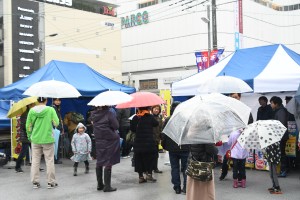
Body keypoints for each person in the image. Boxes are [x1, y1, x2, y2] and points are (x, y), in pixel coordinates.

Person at [26, 97, 59, 189]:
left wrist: (30, 136)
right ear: (46, 100)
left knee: (35, 161)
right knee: (49, 160)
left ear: (37, 101)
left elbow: (28, 125)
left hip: (35, 139)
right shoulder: (50, 109)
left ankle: (35, 182)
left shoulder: (32, 111)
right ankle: (50, 182)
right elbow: (56, 123)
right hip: (48, 139)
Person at [219, 93, 253, 181]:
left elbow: (250, 121)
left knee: (239, 159)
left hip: (241, 136)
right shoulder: (227, 108)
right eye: (232, 97)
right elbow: (223, 121)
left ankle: (239, 177)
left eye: (236, 97)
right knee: (226, 156)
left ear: (240, 97)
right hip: (230, 136)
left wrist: (244, 129)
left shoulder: (244, 108)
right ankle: (224, 173)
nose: (234, 99)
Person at [161, 101, 189, 194]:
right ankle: (185, 187)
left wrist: (164, 145)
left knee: (175, 168)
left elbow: (164, 134)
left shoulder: (169, 119)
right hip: (185, 147)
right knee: (186, 168)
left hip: (172, 148)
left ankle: (177, 187)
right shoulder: (186, 119)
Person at [91, 106, 120, 192]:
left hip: (99, 139)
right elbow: (116, 126)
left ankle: (100, 184)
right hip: (109, 139)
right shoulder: (109, 113)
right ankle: (107, 186)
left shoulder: (94, 114)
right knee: (108, 161)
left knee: (99, 160)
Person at [130, 107, 158, 183]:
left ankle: (141, 177)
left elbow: (132, 129)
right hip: (149, 142)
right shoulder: (150, 117)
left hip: (138, 142)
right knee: (149, 158)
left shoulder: (136, 117)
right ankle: (149, 174)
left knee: (139, 159)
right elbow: (156, 124)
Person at [270, 96, 288, 177]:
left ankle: (283, 170)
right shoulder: (279, 110)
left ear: (276, 104)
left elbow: (281, 124)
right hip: (280, 136)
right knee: (281, 153)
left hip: (281, 136)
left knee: (282, 153)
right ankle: (282, 169)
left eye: (271, 103)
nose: (271, 105)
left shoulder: (281, 111)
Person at [15, 103, 36, 173]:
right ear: (29, 105)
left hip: (31, 135)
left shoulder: (32, 113)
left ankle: (36, 166)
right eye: (33, 105)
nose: (34, 106)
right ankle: (17, 167)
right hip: (25, 136)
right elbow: (25, 126)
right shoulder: (25, 114)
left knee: (35, 152)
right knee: (23, 152)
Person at [151, 105, 163, 173]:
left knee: (156, 155)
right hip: (150, 139)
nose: (156, 110)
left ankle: (155, 168)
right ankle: (149, 169)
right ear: (152, 110)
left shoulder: (159, 118)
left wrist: (161, 138)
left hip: (156, 139)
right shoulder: (150, 117)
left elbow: (161, 128)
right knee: (150, 155)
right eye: (155, 109)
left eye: (158, 109)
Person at [52, 98, 63, 164]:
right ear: (53, 101)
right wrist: (57, 127)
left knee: (56, 144)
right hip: (55, 129)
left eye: (59, 100)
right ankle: (55, 159)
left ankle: (56, 158)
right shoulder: (53, 108)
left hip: (56, 128)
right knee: (55, 145)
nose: (58, 102)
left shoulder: (57, 108)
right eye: (56, 100)